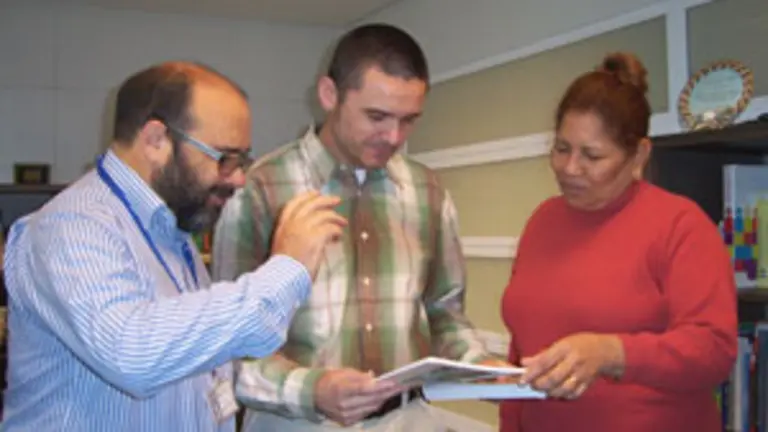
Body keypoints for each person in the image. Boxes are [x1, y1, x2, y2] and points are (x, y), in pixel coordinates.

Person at [1, 61, 346, 431]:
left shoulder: (170, 231)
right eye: (225, 159)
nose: (239, 179)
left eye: (242, 161)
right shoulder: (70, 225)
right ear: (155, 140)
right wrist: (287, 268)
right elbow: (133, 354)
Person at [212, 23, 503, 431]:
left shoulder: (428, 192)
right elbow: (228, 347)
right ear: (330, 95)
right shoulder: (259, 190)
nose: (394, 136)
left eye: (409, 120)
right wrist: (313, 390)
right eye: (377, 116)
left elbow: (445, 317)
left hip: (409, 420)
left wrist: (484, 367)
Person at [499, 52, 737, 432]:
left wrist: (612, 352)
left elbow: (713, 349)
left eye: (592, 156)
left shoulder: (680, 225)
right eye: (561, 148)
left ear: (639, 155)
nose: (569, 168)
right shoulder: (543, 220)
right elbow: (524, 342)